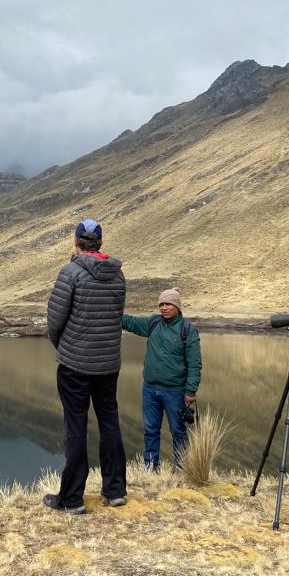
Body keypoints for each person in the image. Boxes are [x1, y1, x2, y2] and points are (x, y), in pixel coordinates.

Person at [43, 219, 128, 515]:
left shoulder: (70, 272)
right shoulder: (117, 275)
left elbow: (54, 322)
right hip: (108, 365)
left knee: (76, 428)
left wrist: (65, 348)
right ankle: (115, 490)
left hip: (74, 366)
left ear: (77, 242)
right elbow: (117, 317)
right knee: (110, 423)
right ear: (100, 244)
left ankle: (72, 498)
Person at [122, 288, 202, 471]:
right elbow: (130, 322)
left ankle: (181, 468)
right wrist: (110, 311)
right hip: (150, 389)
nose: (164, 308)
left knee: (178, 431)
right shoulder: (154, 323)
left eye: (168, 304)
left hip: (175, 391)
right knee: (150, 430)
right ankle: (151, 467)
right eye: (161, 304)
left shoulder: (187, 331)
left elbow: (195, 363)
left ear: (177, 307)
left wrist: (191, 390)